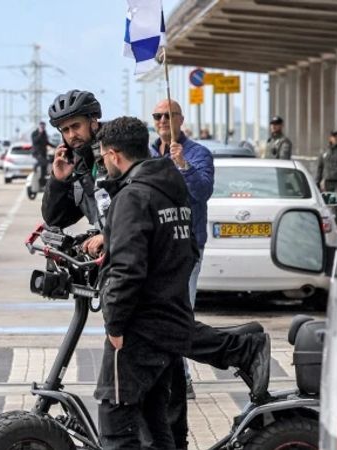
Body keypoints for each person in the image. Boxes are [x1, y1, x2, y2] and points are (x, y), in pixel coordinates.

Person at [41, 90, 271, 450]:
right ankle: (238, 349)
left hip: (149, 262)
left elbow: (140, 205)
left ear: (94, 122)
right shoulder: (82, 167)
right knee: (160, 349)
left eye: (76, 126)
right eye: (65, 130)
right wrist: (59, 180)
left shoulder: (123, 155)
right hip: (132, 266)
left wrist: (111, 235)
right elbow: (57, 216)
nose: (71, 135)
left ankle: (238, 351)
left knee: (158, 354)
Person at [92, 116, 195, 448]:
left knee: (116, 419)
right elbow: (188, 250)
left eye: (104, 155)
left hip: (138, 326)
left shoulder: (133, 196)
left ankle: (243, 347)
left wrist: (115, 324)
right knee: (155, 417)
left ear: (115, 154)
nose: (104, 162)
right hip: (167, 317)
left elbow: (127, 269)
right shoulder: (171, 186)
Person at [149, 100, 214, 396]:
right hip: (153, 247)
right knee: (154, 314)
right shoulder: (147, 154)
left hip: (185, 247)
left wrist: (183, 166)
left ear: (180, 119)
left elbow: (202, 193)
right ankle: (161, 374)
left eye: (168, 116)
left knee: (180, 312)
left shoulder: (198, 154)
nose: (162, 121)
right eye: (157, 116)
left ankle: (181, 377)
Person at [30, 121, 54, 188]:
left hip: (43, 153)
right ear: (39, 126)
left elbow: (46, 142)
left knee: (44, 169)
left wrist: (55, 146)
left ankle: (42, 183)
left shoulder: (44, 133)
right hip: (37, 153)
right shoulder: (34, 133)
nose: (43, 127)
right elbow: (35, 141)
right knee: (45, 163)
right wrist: (40, 133)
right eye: (41, 126)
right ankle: (35, 165)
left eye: (44, 126)